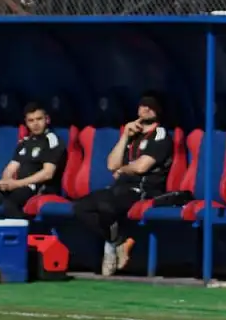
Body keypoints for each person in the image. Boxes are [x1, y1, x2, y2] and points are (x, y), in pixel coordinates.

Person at [73, 95, 173, 276]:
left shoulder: (161, 134)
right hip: (120, 189)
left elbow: (142, 166)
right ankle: (119, 241)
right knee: (81, 207)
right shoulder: (132, 135)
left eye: (151, 106)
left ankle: (111, 247)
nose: (146, 110)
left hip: (143, 190)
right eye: (143, 106)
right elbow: (111, 164)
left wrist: (122, 170)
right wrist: (125, 136)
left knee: (106, 206)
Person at [0, 102, 66, 218]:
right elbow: (11, 167)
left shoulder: (52, 141)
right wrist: (6, 181)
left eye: (39, 119)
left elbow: (48, 173)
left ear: (47, 119)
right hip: (20, 186)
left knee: (10, 202)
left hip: (39, 188)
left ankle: (19, 234)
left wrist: (16, 183)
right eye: (31, 121)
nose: (35, 124)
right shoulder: (25, 142)